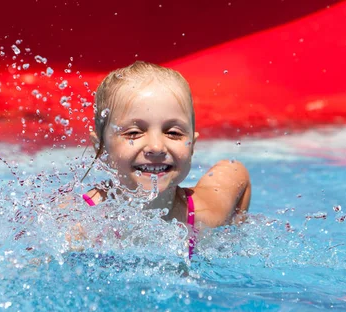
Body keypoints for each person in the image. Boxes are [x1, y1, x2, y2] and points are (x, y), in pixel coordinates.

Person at [80, 61, 251, 257]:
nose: (156, 147)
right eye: (134, 132)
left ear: (192, 145)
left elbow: (236, 172)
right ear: (101, 148)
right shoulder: (80, 225)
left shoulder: (204, 216)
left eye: (173, 133)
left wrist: (232, 243)